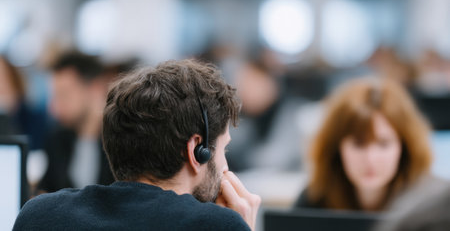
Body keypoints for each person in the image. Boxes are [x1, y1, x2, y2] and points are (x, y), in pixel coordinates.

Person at [14, 59, 261, 230]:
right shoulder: (215, 225)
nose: (225, 167)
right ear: (197, 150)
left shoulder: (38, 215)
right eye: (223, 150)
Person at [294, 77, 432, 211]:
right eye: (358, 144)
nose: (370, 159)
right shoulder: (314, 199)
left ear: (405, 146)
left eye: (383, 144)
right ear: (336, 147)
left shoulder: (430, 204)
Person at [37, 52, 114, 193]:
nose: (54, 107)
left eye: (64, 95)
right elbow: (44, 192)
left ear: (95, 89)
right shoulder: (57, 139)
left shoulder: (122, 141)